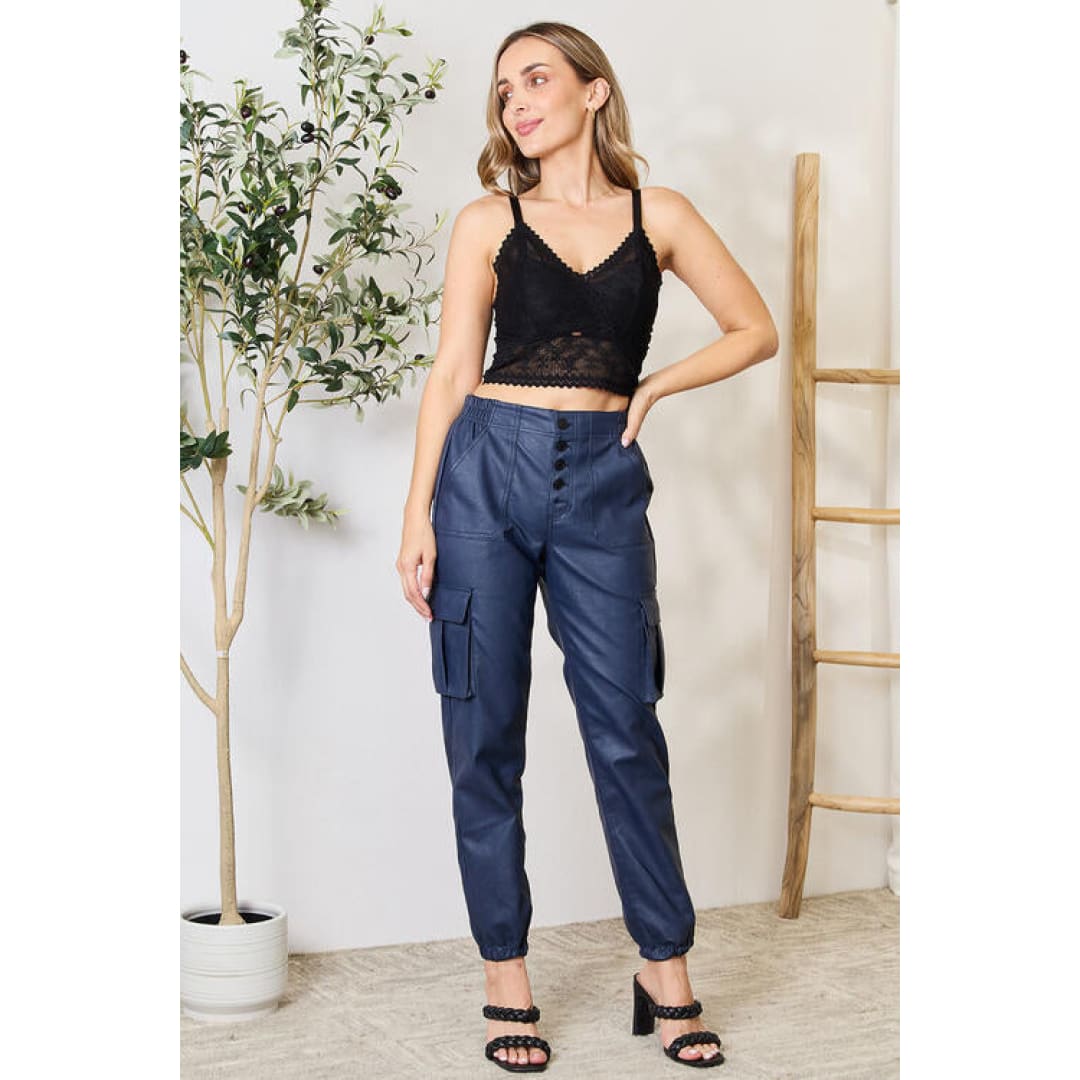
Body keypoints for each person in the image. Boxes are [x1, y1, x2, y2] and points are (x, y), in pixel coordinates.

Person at [396, 20, 778, 1073]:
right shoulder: (489, 219)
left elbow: (755, 328)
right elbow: (449, 372)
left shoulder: (662, 216)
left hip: (604, 484)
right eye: (504, 89)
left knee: (625, 728)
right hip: (484, 474)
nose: (517, 102)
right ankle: (505, 977)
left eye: (537, 79)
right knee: (483, 732)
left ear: (594, 90)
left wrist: (653, 387)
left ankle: (665, 968)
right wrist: (417, 512)